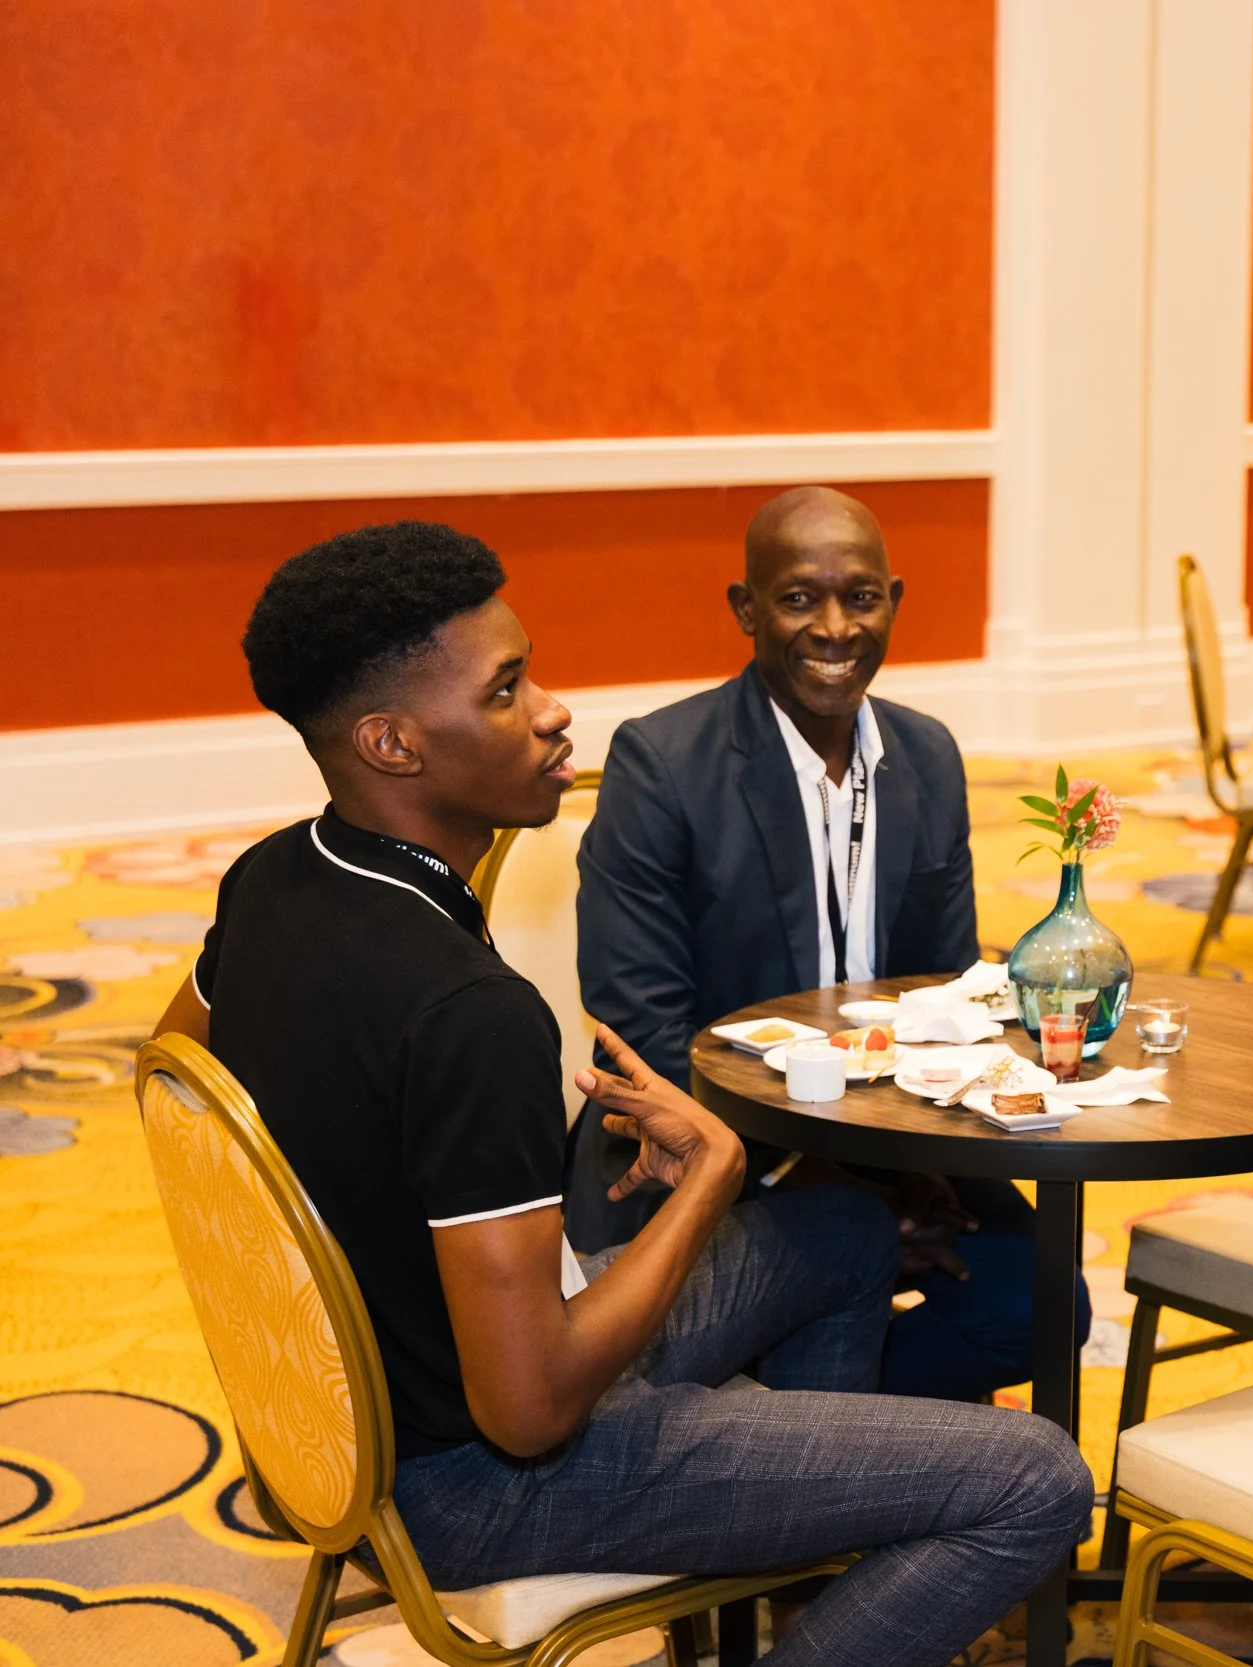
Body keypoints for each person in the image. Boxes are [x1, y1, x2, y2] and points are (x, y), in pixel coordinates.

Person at [153, 522, 1094, 1667]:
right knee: (1037, 1478)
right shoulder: (467, 1012)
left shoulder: (271, 875)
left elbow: (174, 1073)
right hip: (475, 1480)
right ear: (392, 742)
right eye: (507, 690)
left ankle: (810, 1584)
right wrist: (709, 1177)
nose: (554, 711)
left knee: (846, 1228)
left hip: (350, 1414)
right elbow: (532, 1409)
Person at [578, 486, 1083, 1401]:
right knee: (835, 1261)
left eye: (861, 597)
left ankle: (839, 1422)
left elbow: (947, 996)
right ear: (746, 609)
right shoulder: (663, 764)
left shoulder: (927, 757)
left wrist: (909, 1175)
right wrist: (810, 1177)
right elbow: (642, 1029)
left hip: (890, 1139)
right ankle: (805, 1417)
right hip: (706, 1147)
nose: (836, 628)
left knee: (1042, 1305)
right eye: (799, 599)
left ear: (895, 600)